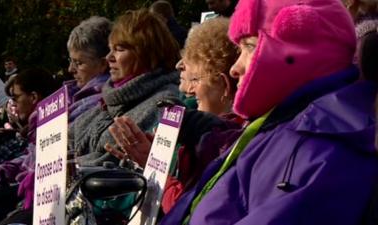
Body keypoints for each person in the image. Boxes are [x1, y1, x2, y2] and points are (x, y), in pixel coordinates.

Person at [160, 0, 378, 224]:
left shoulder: (320, 148)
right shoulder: (279, 126)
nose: (235, 69)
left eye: (251, 47)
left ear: (300, 52)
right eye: (240, 49)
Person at [107, 17, 242, 214]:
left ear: (224, 84)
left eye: (195, 79)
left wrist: (151, 165)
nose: (188, 89)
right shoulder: (211, 134)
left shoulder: (222, 143)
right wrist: (157, 154)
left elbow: (186, 208)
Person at [68, 8, 181, 166]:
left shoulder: (165, 103)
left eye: (119, 49)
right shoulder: (112, 100)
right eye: (110, 49)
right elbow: (68, 138)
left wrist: (70, 166)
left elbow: (121, 164)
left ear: (146, 53)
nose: (109, 58)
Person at [0, 68, 59, 225]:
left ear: (34, 97)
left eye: (15, 98)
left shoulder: (54, 125)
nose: (13, 105)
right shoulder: (34, 129)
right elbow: (24, 161)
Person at [65, 16, 111, 123]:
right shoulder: (70, 99)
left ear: (103, 63)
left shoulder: (96, 105)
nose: (70, 69)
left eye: (79, 63)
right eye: (70, 60)